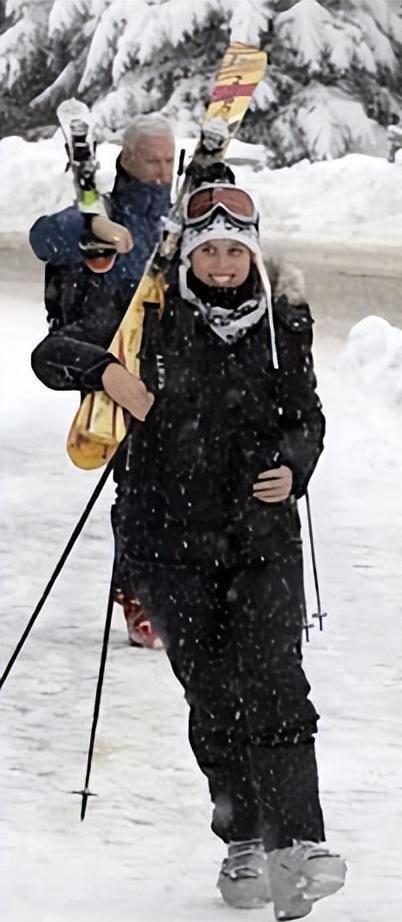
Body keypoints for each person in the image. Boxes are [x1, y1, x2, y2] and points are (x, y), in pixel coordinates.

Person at [31, 179, 347, 922]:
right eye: (212, 251)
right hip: (167, 538)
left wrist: (296, 467)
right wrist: (112, 374)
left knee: (276, 681)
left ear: (254, 254)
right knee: (212, 692)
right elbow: (53, 353)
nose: (225, 263)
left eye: (237, 250)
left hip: (261, 537)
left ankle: (298, 842)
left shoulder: (283, 320)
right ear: (192, 257)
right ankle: (242, 836)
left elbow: (307, 416)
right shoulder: (150, 311)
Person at [29, 113, 176, 648]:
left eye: (169, 160)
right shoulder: (101, 212)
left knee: (168, 483)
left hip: (162, 361)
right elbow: (44, 237)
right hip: (93, 346)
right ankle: (141, 593)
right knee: (138, 484)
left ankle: (171, 589)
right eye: (152, 161)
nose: (163, 172)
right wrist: (92, 230)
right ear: (127, 161)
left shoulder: (180, 218)